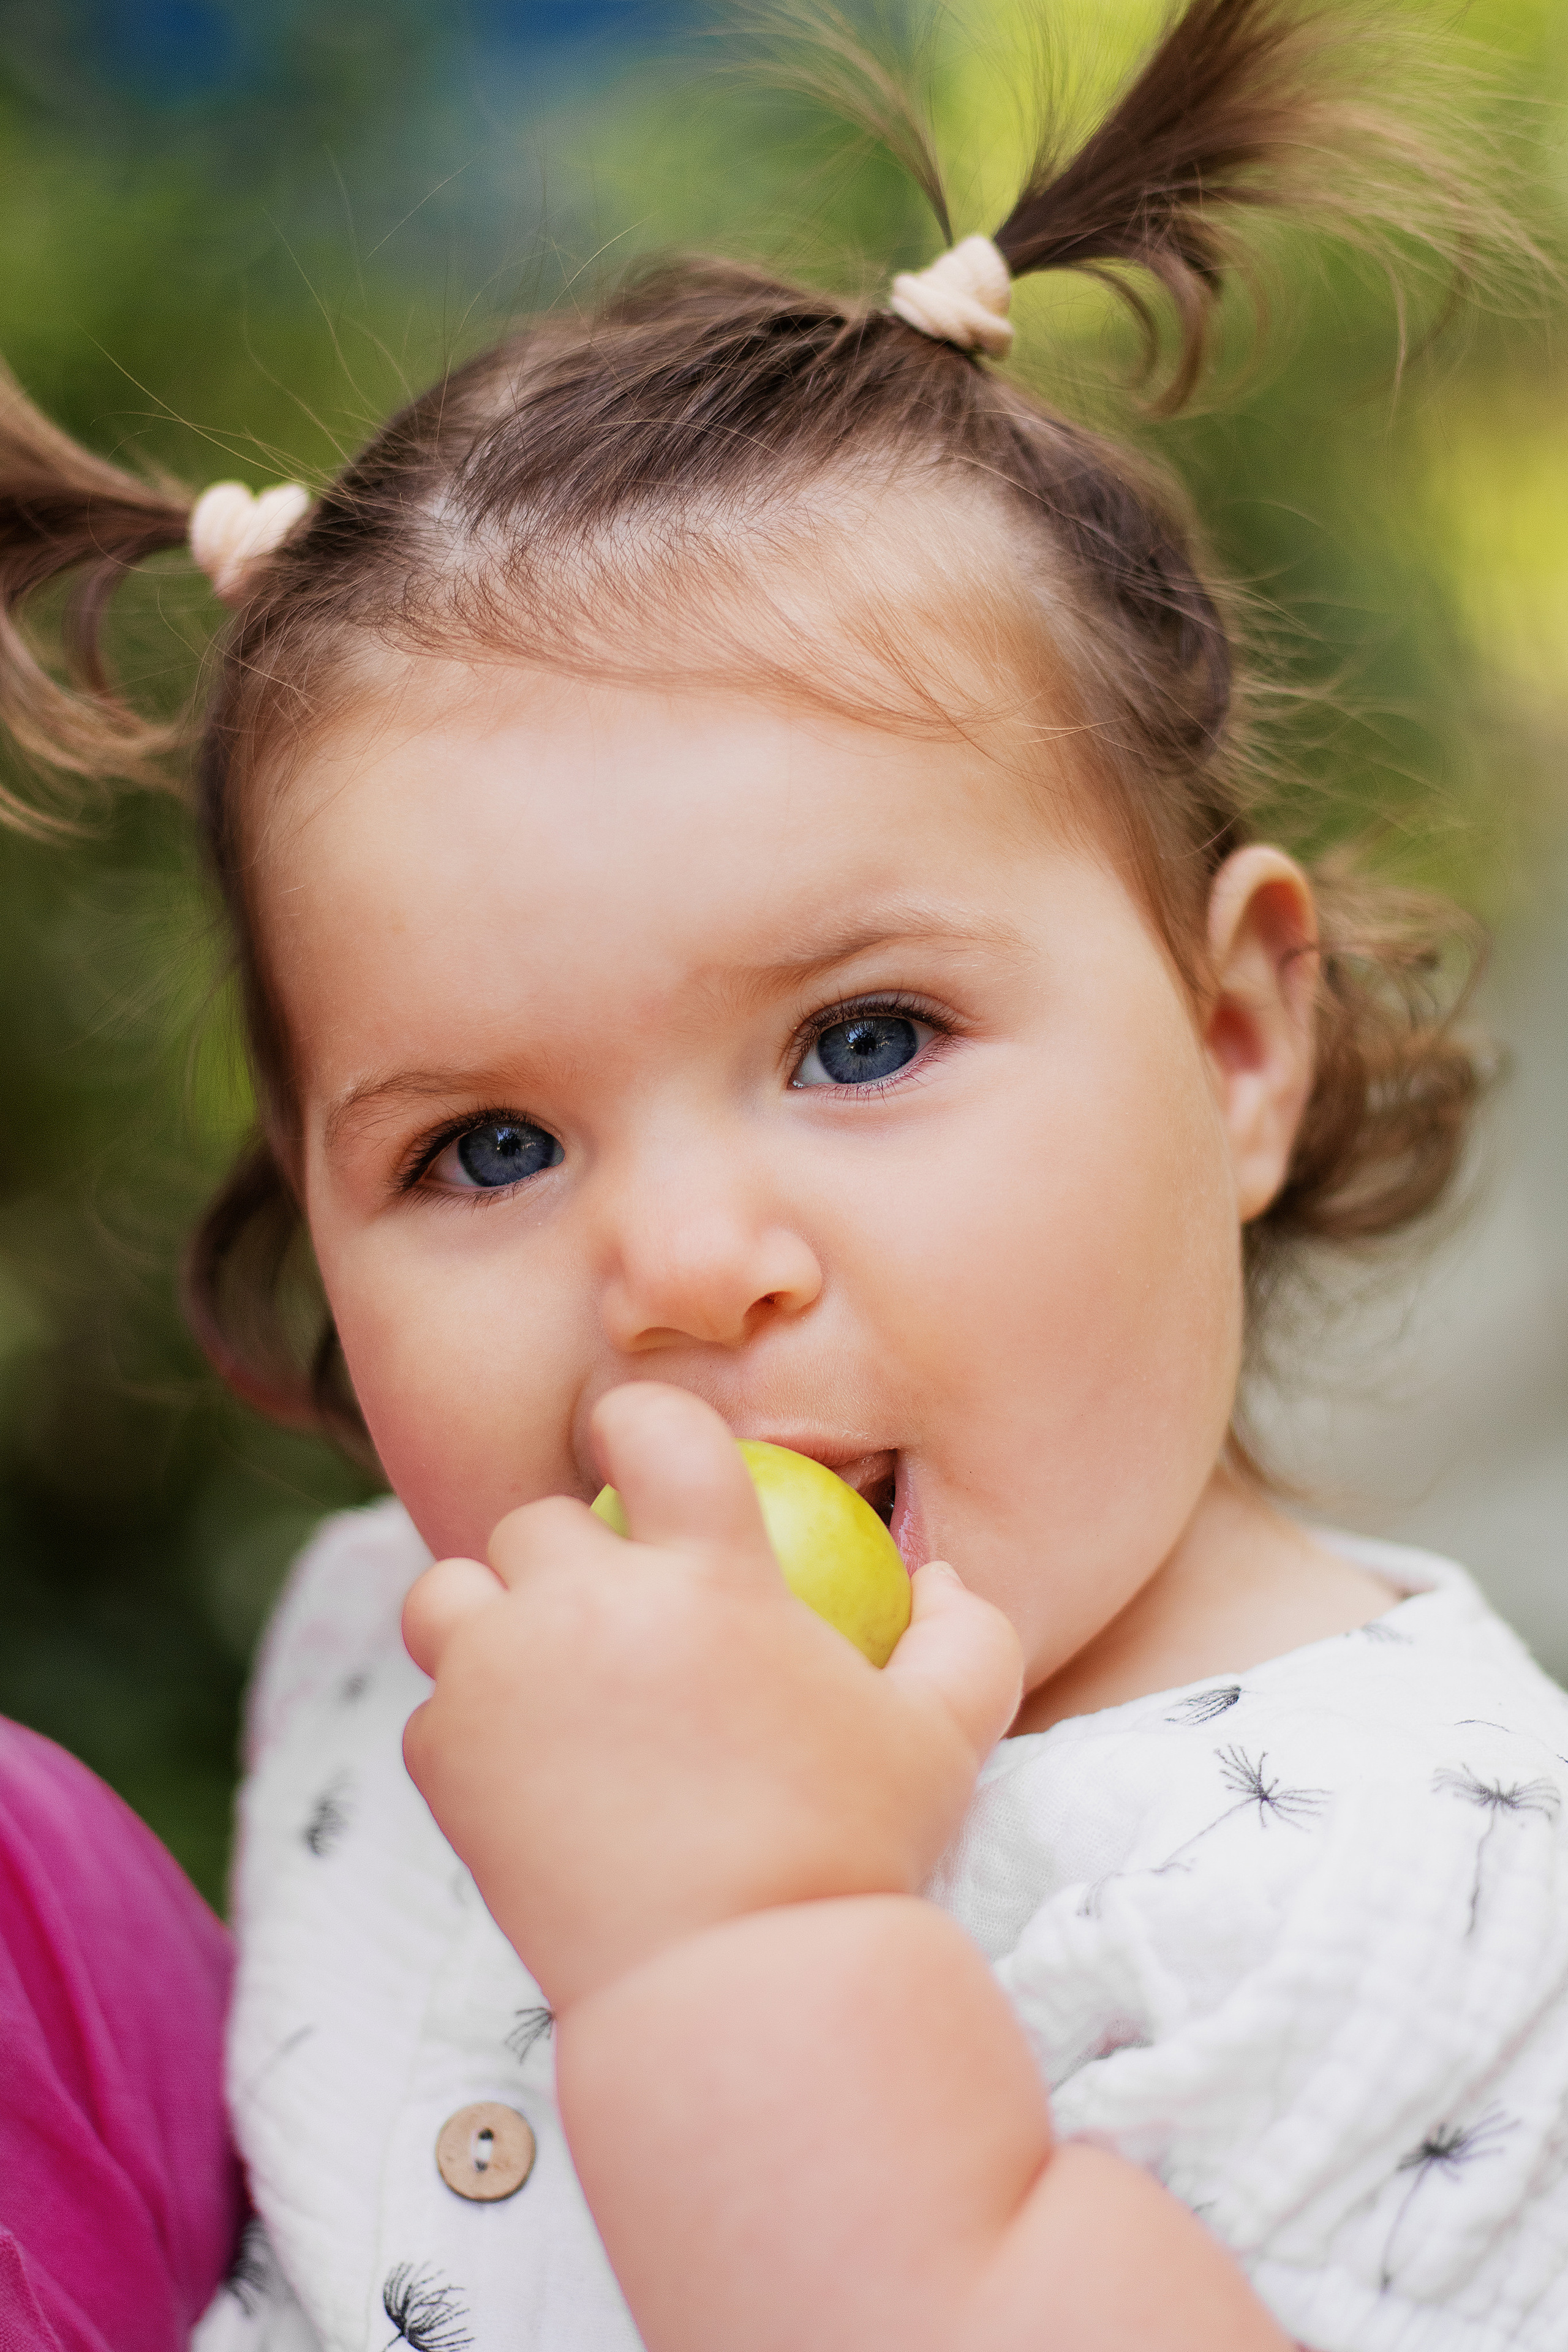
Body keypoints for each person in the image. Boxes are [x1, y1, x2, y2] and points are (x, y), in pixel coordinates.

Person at [2, 1, 1562, 2343]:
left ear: (1237, 1042)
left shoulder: (1426, 1880)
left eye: (863, 1040)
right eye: (486, 1146)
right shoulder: (405, 1655)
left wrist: (740, 1940)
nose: (683, 1270)